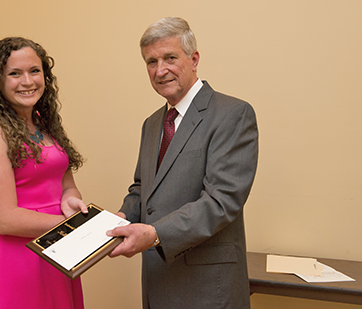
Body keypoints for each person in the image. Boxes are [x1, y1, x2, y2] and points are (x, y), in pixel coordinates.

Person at [106, 17, 259, 308]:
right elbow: (142, 189)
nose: (160, 70)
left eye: (170, 58)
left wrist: (154, 234)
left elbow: (221, 201)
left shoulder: (232, 114)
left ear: (194, 59)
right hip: (158, 282)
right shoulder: (152, 124)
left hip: (207, 290)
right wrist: (121, 220)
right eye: (151, 62)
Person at [0, 37, 86, 309]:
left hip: (54, 248)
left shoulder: (42, 122)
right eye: (14, 73)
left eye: (34, 71)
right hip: (15, 254)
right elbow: (4, 220)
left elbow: (65, 184)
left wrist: (70, 200)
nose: (27, 81)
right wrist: (72, 226)